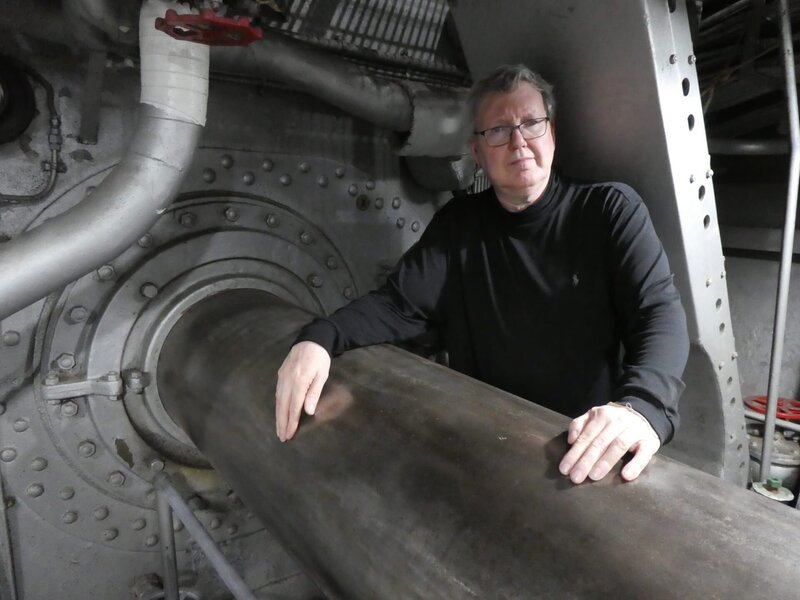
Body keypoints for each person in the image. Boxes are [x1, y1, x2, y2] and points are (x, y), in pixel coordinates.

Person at [275, 64, 689, 484]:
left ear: (552, 133)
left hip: (582, 448)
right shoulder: (458, 226)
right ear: (477, 152)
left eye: (531, 124)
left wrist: (641, 408)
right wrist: (320, 338)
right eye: (498, 131)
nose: (519, 142)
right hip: (485, 445)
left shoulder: (609, 210)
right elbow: (397, 306)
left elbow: (657, 313)